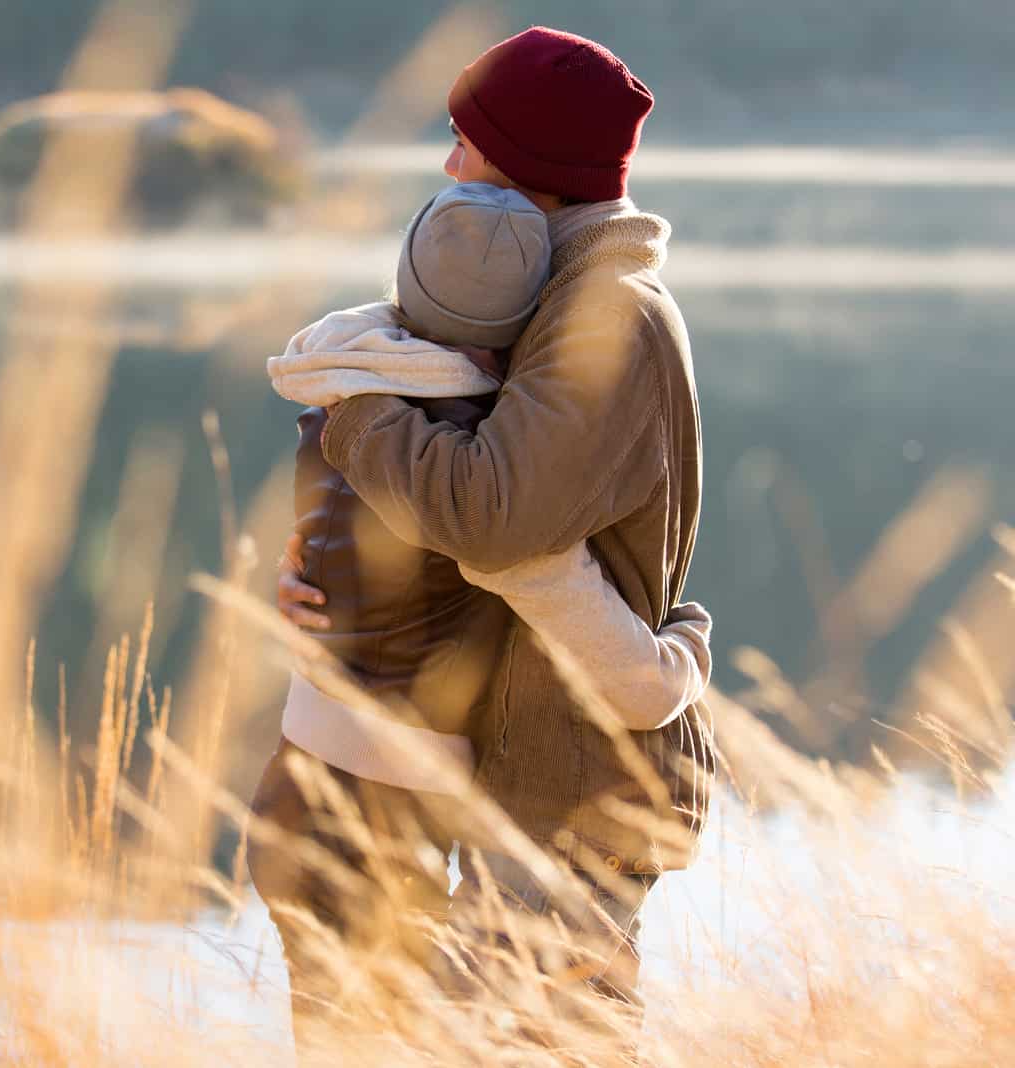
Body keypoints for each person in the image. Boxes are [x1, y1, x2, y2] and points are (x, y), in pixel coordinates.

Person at [265, 24, 715, 1036]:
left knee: (549, 1046)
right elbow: (487, 522)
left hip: (580, 786)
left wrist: (357, 413)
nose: (447, 163)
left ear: (532, 170)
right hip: (529, 767)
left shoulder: (607, 316)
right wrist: (319, 575)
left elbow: (495, 520)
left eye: (465, 141)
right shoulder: (549, 301)